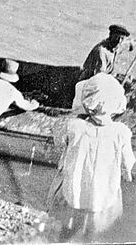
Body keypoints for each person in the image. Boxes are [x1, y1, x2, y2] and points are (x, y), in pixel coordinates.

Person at [47, 78, 135, 241]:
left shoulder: (73, 126)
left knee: (63, 230)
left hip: (73, 190)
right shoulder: (121, 132)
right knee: (95, 233)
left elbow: (58, 143)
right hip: (103, 195)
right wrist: (126, 172)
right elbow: (127, 163)